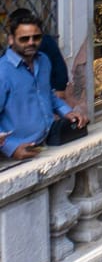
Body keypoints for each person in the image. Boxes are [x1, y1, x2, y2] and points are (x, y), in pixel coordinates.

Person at [0, 10, 85, 158]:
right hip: (17, 154)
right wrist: (11, 148)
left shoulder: (43, 60)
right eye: (24, 39)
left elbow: (47, 96)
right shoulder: (3, 72)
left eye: (36, 37)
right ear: (11, 40)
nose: (31, 42)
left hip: (46, 144)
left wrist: (67, 112)